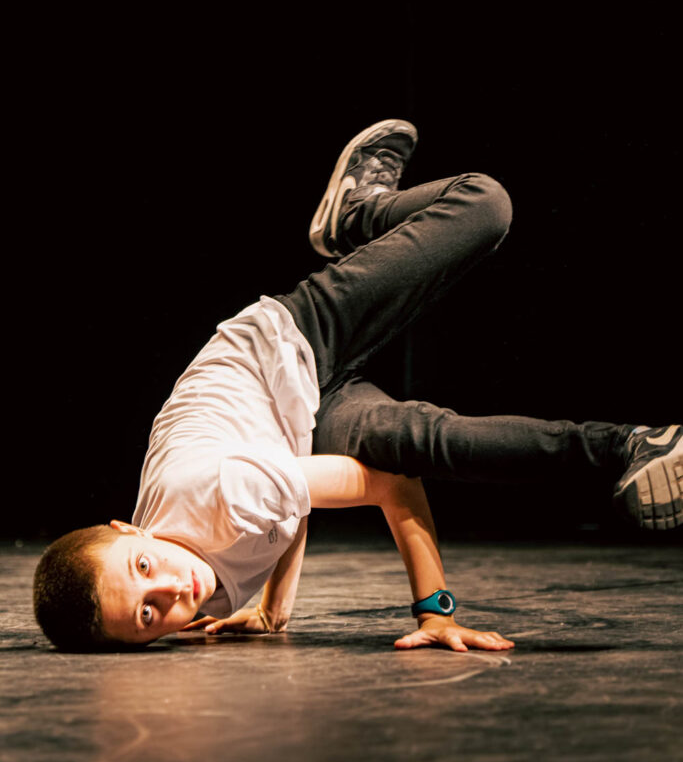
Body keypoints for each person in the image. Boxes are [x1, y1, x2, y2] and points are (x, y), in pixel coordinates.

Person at [33, 120, 682, 653]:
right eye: (149, 616)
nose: (172, 593)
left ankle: (358, 214)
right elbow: (286, 504)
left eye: (145, 571)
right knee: (427, 441)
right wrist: (270, 611)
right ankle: (632, 448)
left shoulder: (209, 496)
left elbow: (376, 487)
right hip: (301, 417)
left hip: (286, 348)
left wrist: (434, 609)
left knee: (483, 205)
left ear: (128, 530)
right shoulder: (202, 591)